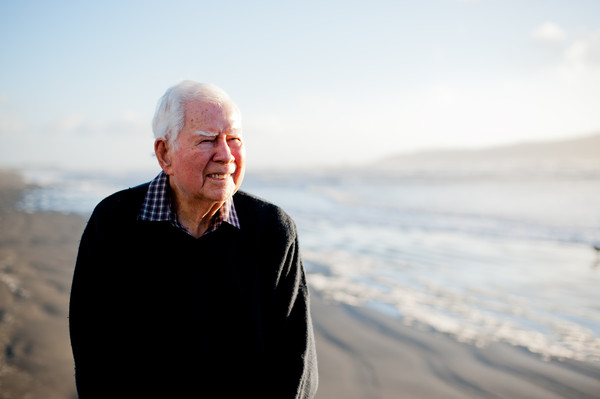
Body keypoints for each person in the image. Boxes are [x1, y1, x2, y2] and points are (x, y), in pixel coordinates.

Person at [69, 81, 318, 398]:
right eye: (208, 140)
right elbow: (93, 352)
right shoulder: (114, 223)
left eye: (234, 139)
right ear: (165, 154)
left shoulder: (272, 230)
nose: (226, 155)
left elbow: (295, 364)